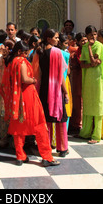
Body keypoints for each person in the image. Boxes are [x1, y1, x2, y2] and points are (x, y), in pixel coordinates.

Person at [0, 40, 59, 167]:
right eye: (26, 53)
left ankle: (20, 156)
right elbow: (24, 79)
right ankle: (47, 157)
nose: (27, 55)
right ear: (20, 51)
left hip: (17, 98)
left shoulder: (10, 62)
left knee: (18, 127)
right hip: (27, 96)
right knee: (39, 124)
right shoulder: (21, 61)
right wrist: (33, 80)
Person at [33, 29, 69, 157]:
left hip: (43, 88)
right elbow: (61, 76)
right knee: (60, 118)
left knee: (45, 119)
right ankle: (62, 147)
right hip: (56, 89)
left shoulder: (38, 52)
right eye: (56, 37)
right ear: (49, 39)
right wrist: (65, 92)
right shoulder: (57, 52)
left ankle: (45, 145)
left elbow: (36, 74)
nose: (58, 40)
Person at [79, 25, 103, 144]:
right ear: (86, 35)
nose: (93, 37)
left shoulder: (99, 46)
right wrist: (89, 63)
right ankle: (85, 132)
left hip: (98, 78)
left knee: (97, 105)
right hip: (88, 79)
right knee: (88, 104)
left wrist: (91, 49)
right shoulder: (84, 47)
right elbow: (82, 64)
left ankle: (96, 135)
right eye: (91, 35)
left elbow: (95, 62)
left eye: (95, 34)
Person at [0, 39, 15, 148]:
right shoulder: (13, 61)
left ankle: (3, 139)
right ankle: (11, 139)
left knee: (3, 116)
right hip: (10, 91)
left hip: (1, 91)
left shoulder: (0, 60)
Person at [69, 32, 87, 133]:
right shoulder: (77, 51)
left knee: (81, 99)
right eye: (82, 40)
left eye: (85, 40)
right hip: (77, 77)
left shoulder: (82, 50)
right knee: (77, 99)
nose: (84, 42)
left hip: (82, 76)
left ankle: (80, 123)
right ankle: (77, 123)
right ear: (78, 42)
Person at [58, 33, 72, 134]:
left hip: (55, 82)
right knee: (65, 105)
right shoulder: (66, 54)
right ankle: (64, 131)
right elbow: (68, 71)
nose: (67, 45)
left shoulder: (54, 52)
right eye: (66, 43)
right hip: (64, 80)